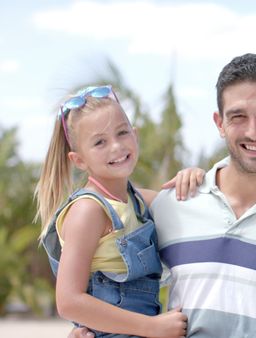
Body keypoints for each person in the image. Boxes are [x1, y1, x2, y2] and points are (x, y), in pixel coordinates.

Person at [62, 54, 256, 338]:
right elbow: (107, 247)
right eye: (238, 117)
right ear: (219, 124)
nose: (253, 131)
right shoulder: (174, 203)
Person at [36, 85, 203, 337]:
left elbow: (185, 204)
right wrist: (153, 327)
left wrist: (194, 176)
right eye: (100, 142)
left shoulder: (137, 200)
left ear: (135, 136)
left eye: (122, 132)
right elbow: (68, 301)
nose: (116, 146)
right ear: (79, 160)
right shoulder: (89, 210)